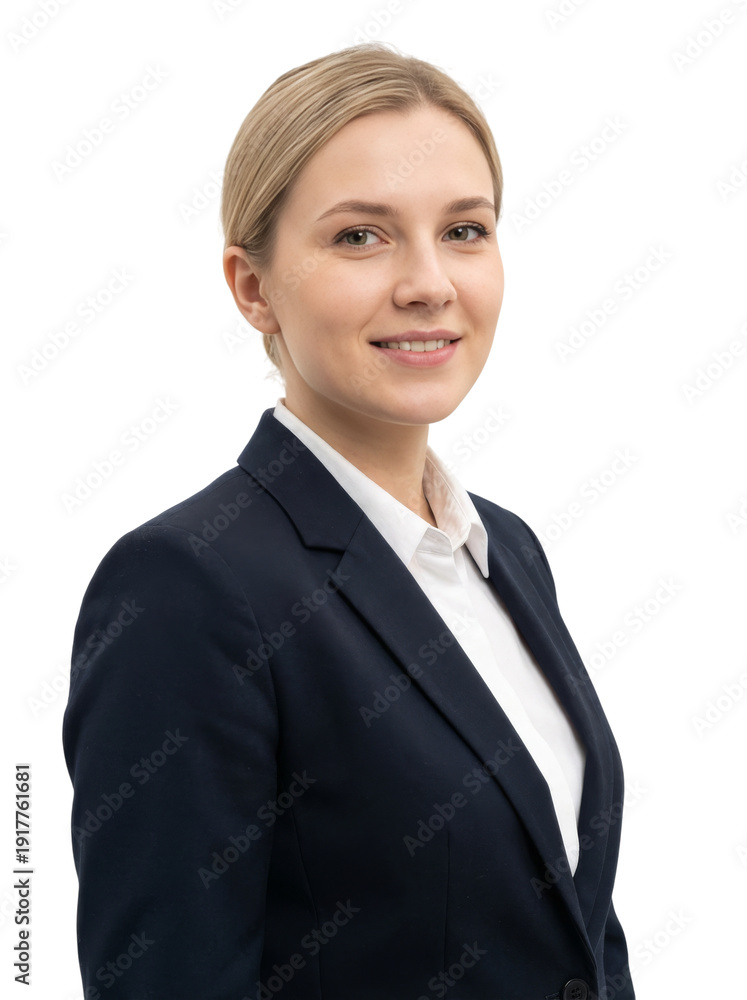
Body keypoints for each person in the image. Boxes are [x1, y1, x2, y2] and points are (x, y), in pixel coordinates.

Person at [63, 43, 635, 1000]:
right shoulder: (187, 587)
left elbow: (577, 931)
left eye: (464, 230)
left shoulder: (504, 550)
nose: (429, 283)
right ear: (253, 288)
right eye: (361, 237)